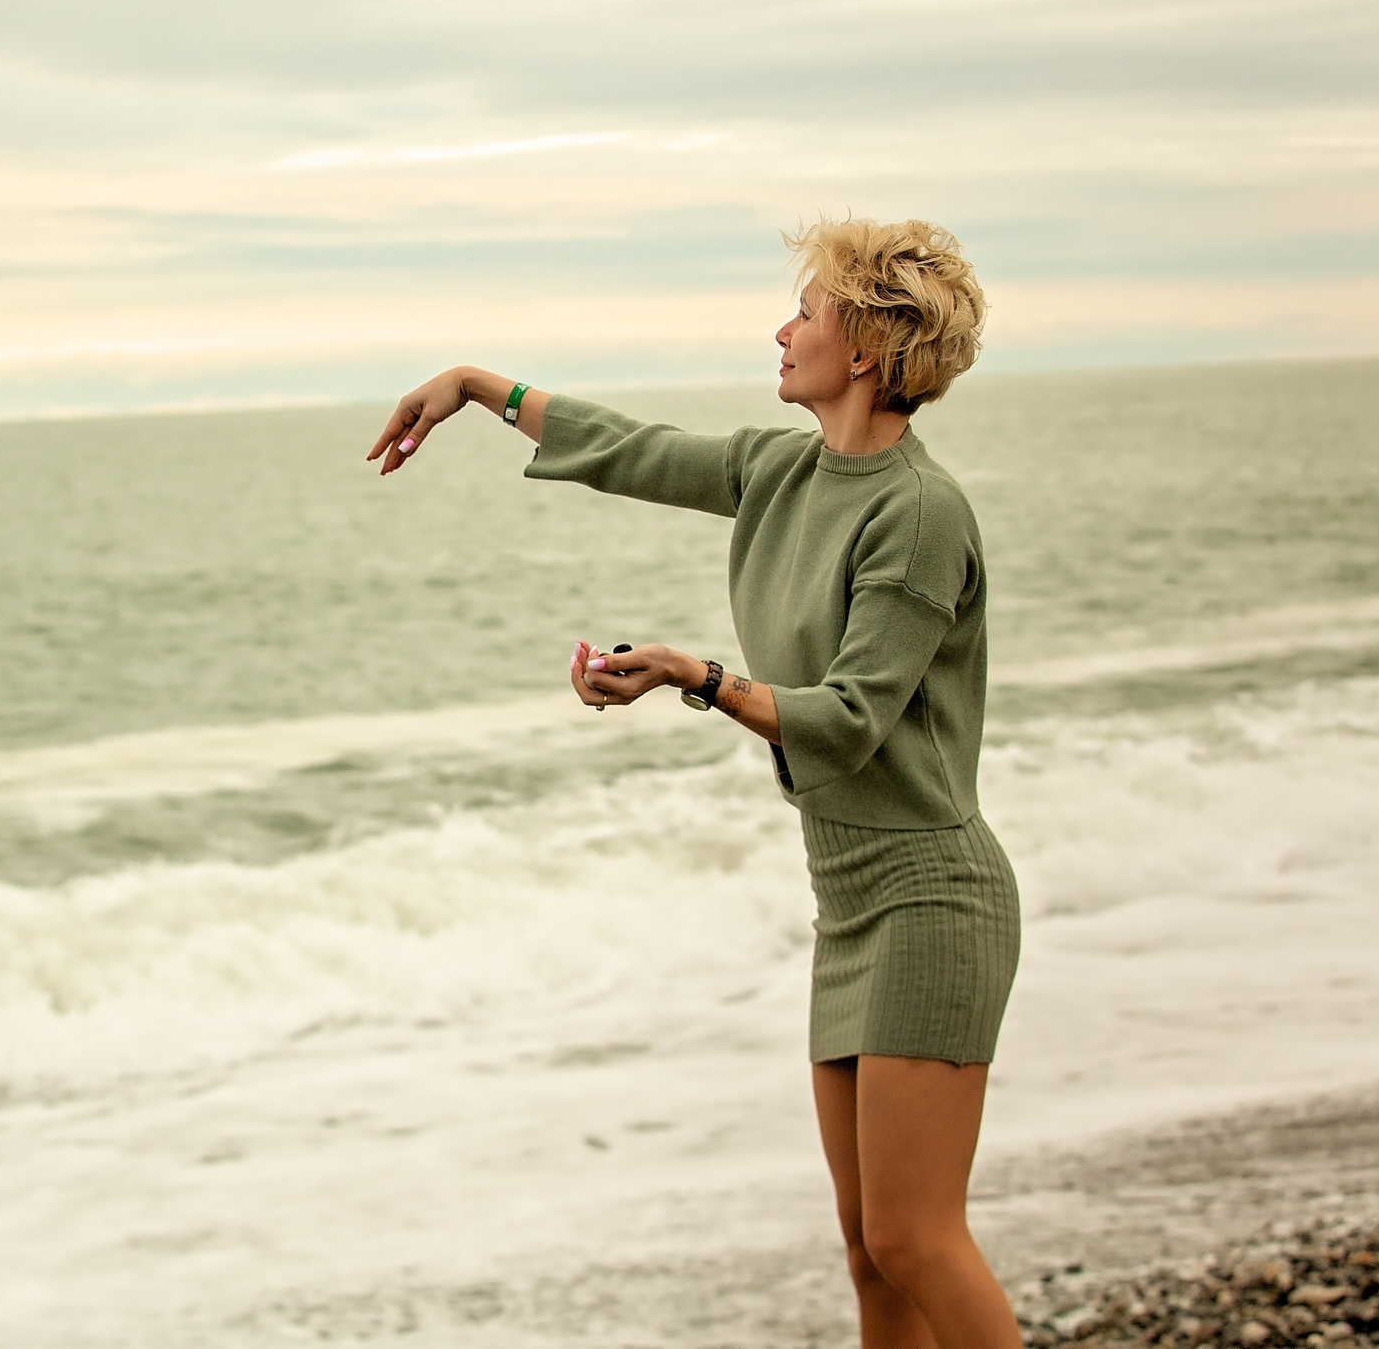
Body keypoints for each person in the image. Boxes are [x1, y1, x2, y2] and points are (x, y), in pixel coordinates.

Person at [366, 217, 1019, 1349]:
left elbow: (853, 721)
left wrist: (696, 675)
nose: (781, 330)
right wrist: (474, 386)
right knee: (869, 1251)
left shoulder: (918, 516)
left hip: (930, 897)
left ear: (863, 346)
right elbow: (626, 446)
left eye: (805, 313)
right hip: (850, 897)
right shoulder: (779, 471)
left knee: (918, 1237)